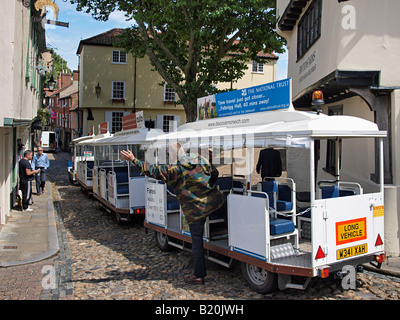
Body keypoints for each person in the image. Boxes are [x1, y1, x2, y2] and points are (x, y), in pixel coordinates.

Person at [121, 143, 225, 285]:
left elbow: (152, 170)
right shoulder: (199, 159)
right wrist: (206, 186)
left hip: (195, 211)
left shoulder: (174, 170)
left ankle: (199, 275)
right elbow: (214, 174)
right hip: (214, 201)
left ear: (172, 155)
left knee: (197, 242)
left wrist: (134, 159)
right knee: (227, 218)